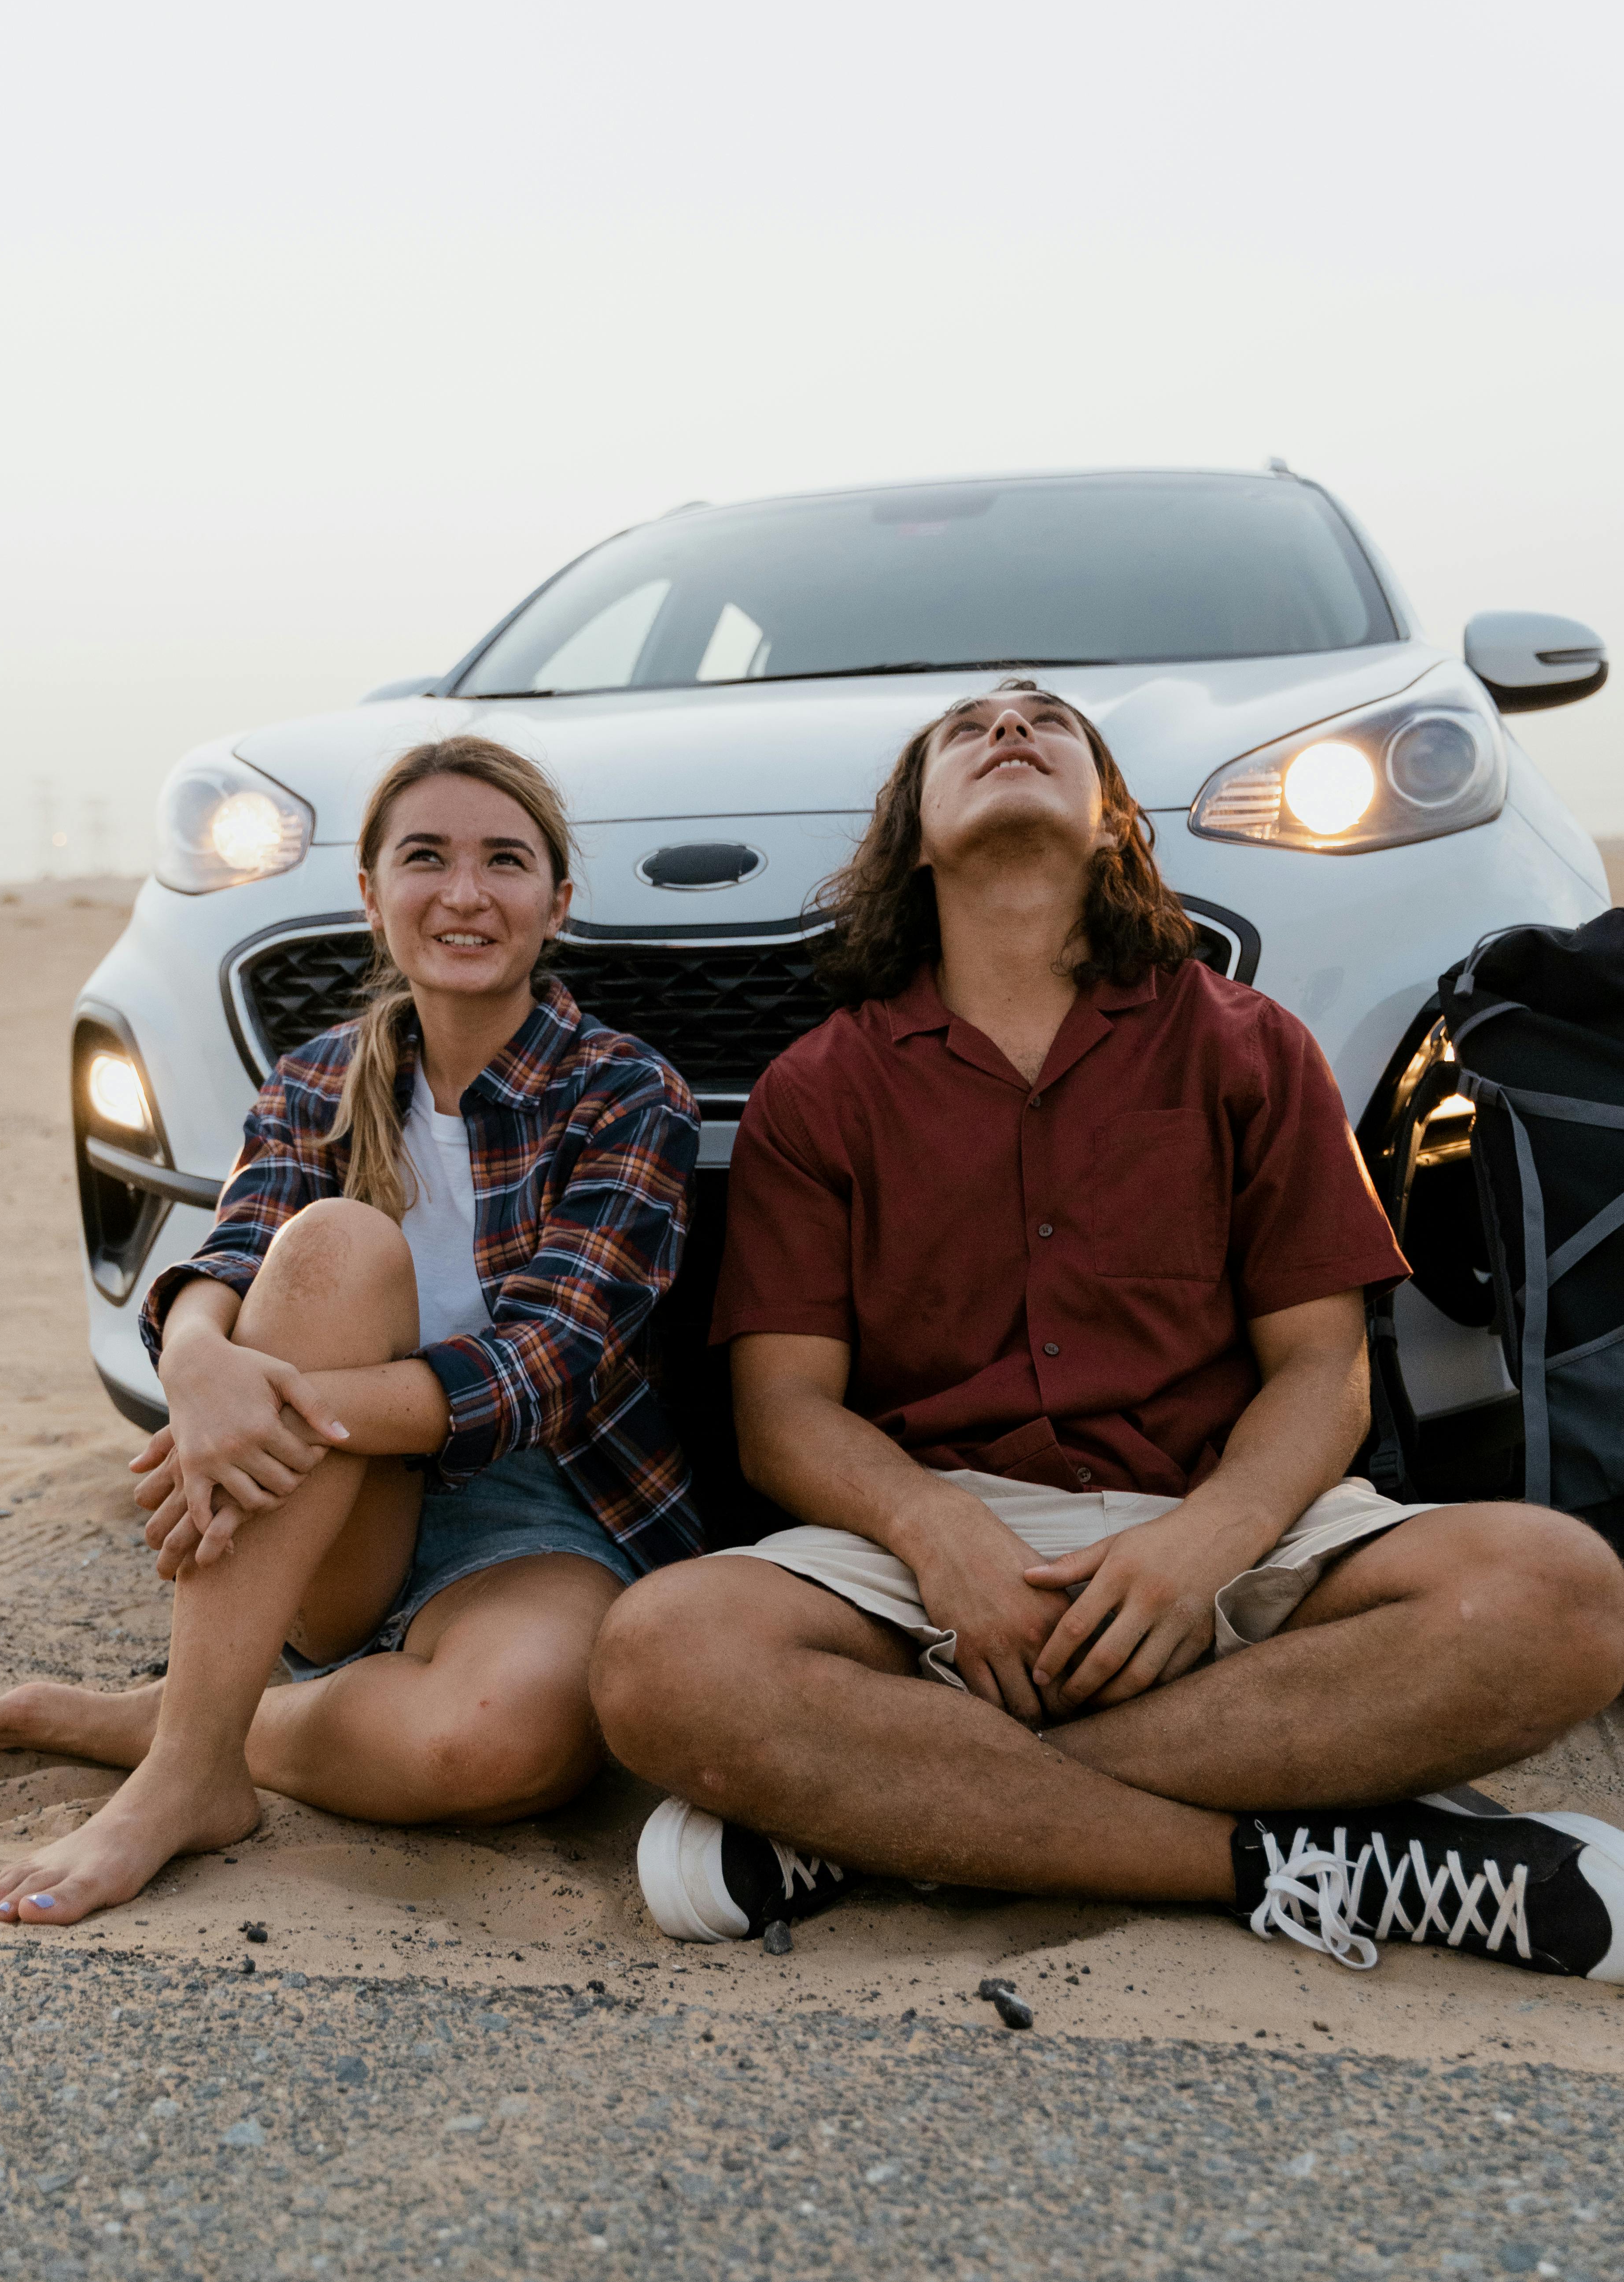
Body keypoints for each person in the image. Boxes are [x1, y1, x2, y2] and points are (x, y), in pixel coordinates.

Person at [591, 682, 1624, 1978]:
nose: (1008, 730)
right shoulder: (822, 1088)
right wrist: (936, 1534)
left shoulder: (1253, 1047)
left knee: (1560, 1598)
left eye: (1048, 724)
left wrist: (1207, 1544)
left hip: (1227, 1516)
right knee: (660, 1660)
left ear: (1114, 820)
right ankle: (1319, 1866)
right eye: (966, 731)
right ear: (914, 837)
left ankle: (883, 1817)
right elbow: (783, 1410)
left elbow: (1324, 1369)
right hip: (933, 1549)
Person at [0, 735, 701, 1923]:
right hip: (330, 1511)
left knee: (505, 1747)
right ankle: (187, 1778)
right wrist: (200, 1369)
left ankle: (187, 1717)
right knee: (336, 1245)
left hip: (545, 1507)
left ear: (557, 903)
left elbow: (543, 1372)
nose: (463, 893)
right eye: (426, 858)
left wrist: (259, 1409)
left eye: (505, 861)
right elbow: (236, 1256)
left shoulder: (624, 1093)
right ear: (370, 893)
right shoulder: (315, 1080)